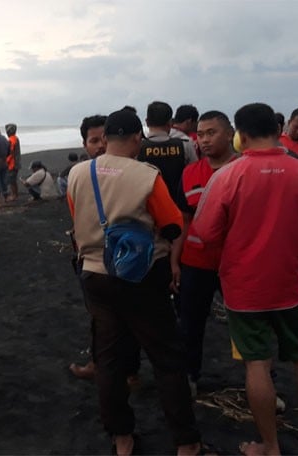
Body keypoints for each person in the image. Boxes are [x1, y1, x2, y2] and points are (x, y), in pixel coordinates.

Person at [192, 103, 298, 455]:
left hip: (243, 288)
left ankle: (269, 445)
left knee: (256, 364)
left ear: (241, 135)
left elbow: (204, 232)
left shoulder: (227, 177)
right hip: (291, 285)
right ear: (275, 127)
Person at [67, 109, 204, 456]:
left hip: (95, 273)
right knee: (167, 358)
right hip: (142, 275)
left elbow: (76, 216)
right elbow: (173, 225)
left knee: (109, 360)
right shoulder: (145, 174)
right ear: (136, 139)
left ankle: (122, 438)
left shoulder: (78, 173)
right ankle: (186, 442)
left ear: (106, 137)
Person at [171, 111, 237, 388]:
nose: (204, 140)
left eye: (212, 132)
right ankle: (190, 378)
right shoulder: (190, 173)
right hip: (195, 263)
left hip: (236, 265)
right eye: (201, 134)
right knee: (190, 324)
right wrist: (175, 261)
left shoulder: (244, 170)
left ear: (230, 133)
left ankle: (263, 382)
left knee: (246, 325)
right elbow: (183, 221)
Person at [69, 114, 107, 380]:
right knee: (98, 318)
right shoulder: (79, 176)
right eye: (94, 141)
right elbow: (75, 212)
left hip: (128, 258)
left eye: (105, 139)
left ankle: (130, 372)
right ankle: (98, 363)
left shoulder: (134, 172)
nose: (101, 146)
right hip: (91, 257)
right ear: (85, 145)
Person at [137, 101, 194, 198]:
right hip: (177, 206)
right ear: (170, 123)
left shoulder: (137, 148)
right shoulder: (185, 145)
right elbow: (194, 173)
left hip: (147, 206)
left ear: (147, 121)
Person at [6, 123, 22, 201]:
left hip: (13, 164)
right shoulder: (15, 138)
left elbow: (11, 152)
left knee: (11, 180)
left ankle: (14, 195)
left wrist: (6, 161)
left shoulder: (11, 139)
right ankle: (15, 194)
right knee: (13, 180)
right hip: (16, 162)